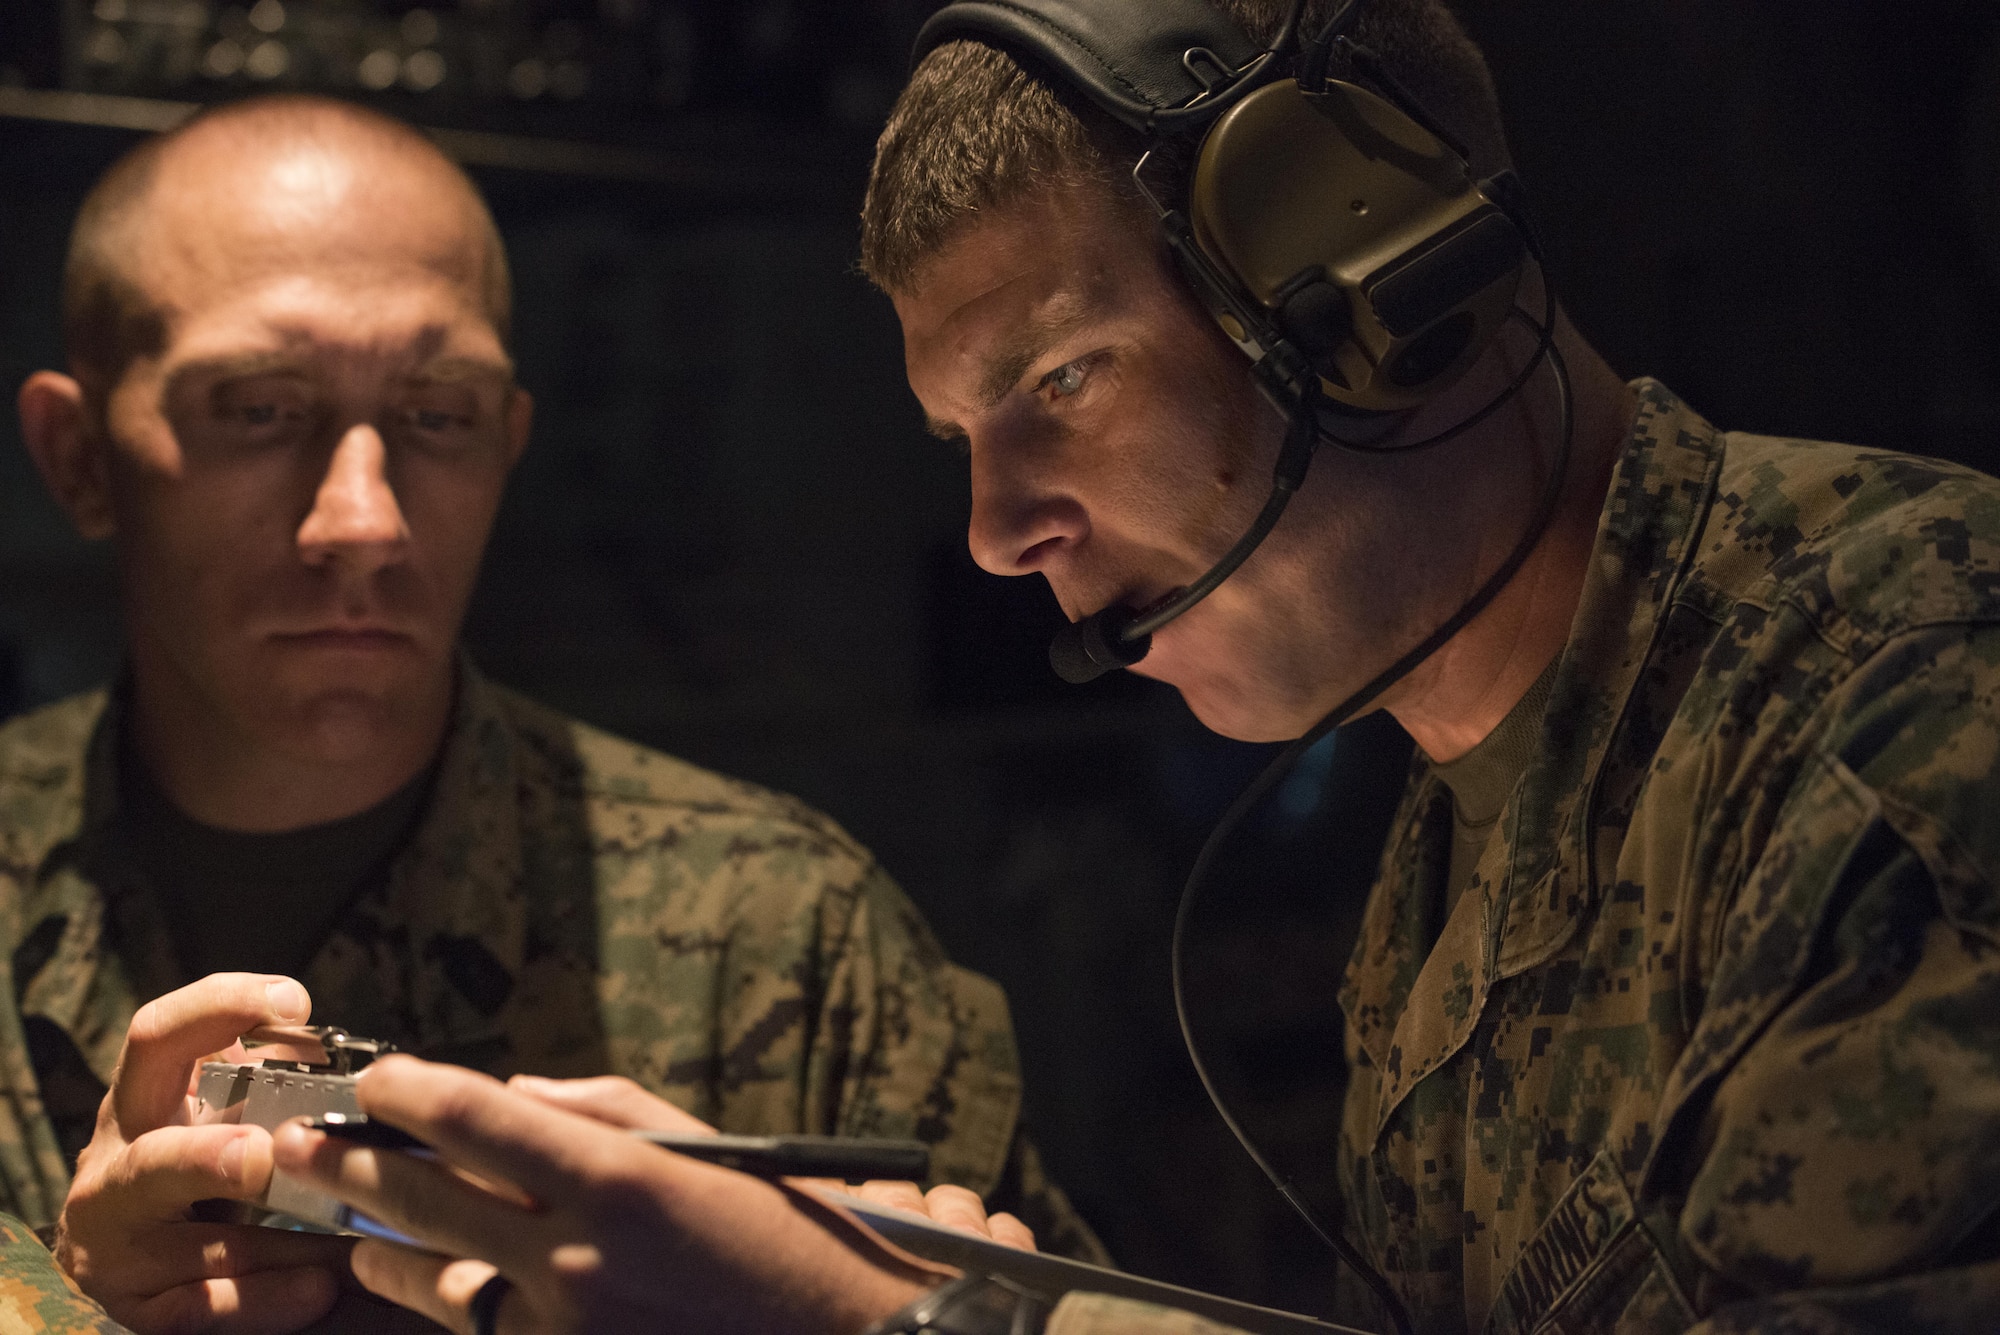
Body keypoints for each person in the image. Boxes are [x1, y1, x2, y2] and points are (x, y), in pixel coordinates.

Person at [6, 0, 1999, 1331]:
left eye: (1052, 384)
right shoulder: (1486, 810)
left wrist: (877, 1315)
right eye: (964, 440)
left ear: (1369, 274)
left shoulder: (1907, 708)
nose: (996, 528)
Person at [0, 94, 1098, 1333]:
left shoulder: (781, 932)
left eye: (437, 416)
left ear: (507, 443)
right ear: (80, 456)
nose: (364, 521)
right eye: (259, 409)